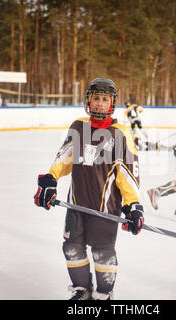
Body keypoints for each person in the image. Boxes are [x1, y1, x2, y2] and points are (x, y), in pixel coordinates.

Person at [34, 78, 144, 300]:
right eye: (96, 98)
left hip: (105, 208)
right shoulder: (78, 126)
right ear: (88, 101)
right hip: (75, 204)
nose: (100, 103)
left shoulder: (120, 133)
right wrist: (50, 179)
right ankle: (82, 290)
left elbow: (127, 173)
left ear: (112, 103)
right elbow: (65, 157)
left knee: (102, 253)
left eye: (105, 99)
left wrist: (133, 204)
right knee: (72, 248)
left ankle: (103, 295)